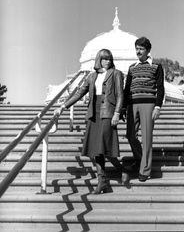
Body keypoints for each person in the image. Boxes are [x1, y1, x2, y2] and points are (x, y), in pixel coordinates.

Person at [55, 49, 129, 194]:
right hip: (93, 113)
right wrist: (63, 107)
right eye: (105, 59)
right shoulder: (91, 76)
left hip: (108, 111)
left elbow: (120, 95)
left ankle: (121, 169)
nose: (108, 61)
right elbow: (79, 93)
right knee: (95, 149)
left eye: (109, 59)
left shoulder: (116, 74)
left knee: (105, 145)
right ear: (99, 60)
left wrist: (117, 113)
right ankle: (102, 182)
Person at [122, 37, 165, 182]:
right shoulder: (132, 67)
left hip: (149, 104)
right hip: (132, 104)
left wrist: (158, 107)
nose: (138, 51)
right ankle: (140, 159)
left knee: (146, 138)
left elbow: (160, 87)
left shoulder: (157, 66)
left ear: (148, 50)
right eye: (137, 49)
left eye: (141, 49)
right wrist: (123, 107)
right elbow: (127, 89)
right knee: (130, 135)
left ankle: (145, 171)